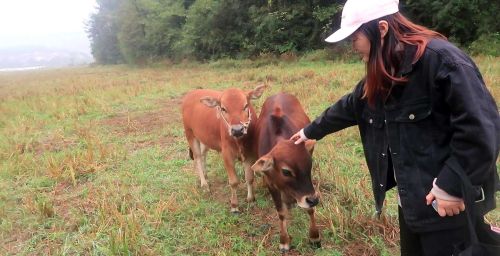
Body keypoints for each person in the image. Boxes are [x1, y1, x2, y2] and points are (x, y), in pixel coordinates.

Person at [290, 0, 500, 255]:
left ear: (381, 29)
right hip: (411, 202)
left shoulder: (442, 61)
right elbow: (350, 105)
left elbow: (482, 129)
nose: (352, 45)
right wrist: (310, 131)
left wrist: (452, 185)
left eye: (355, 36)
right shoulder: (386, 69)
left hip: (447, 206)